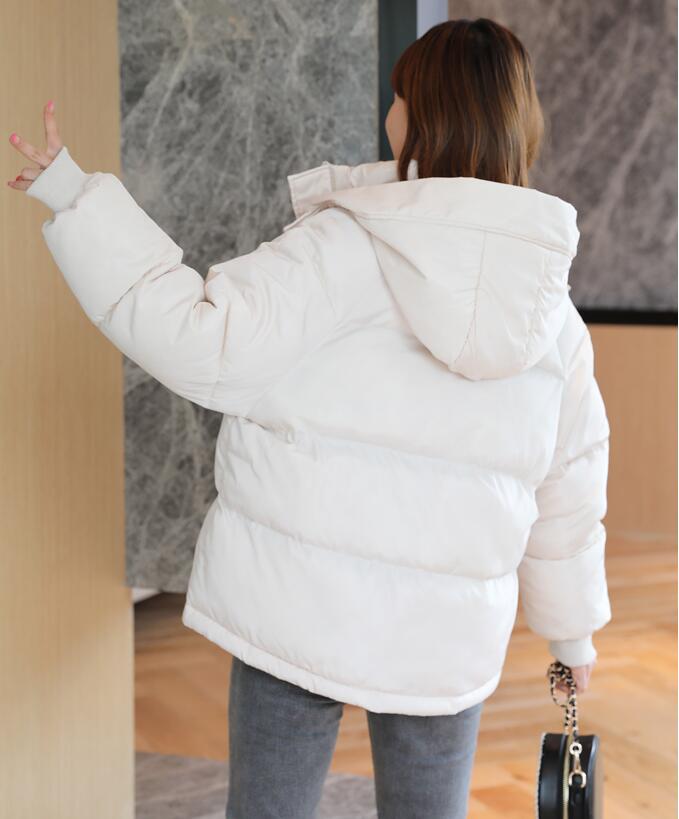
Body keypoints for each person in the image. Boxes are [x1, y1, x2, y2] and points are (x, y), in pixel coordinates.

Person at [8, 17, 611, 819]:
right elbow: (569, 492)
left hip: (296, 607)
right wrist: (571, 640)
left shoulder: (342, 248)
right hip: (444, 637)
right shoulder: (552, 319)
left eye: (399, 96)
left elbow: (201, 337)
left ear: (419, 115)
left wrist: (77, 199)